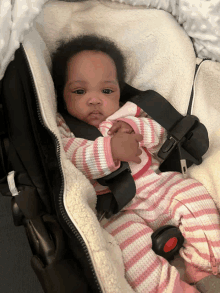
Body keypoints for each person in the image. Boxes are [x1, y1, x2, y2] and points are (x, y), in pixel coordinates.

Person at [52, 34, 220, 293]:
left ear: (119, 91)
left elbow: (164, 137)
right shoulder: (65, 128)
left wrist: (137, 128)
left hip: (161, 185)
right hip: (117, 209)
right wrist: (110, 149)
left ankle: (205, 268)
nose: (95, 99)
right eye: (79, 91)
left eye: (106, 90)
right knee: (129, 255)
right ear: (62, 95)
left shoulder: (129, 111)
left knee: (196, 196)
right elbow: (69, 157)